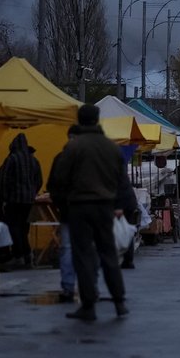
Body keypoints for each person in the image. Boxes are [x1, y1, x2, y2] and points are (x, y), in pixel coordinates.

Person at [51, 104, 128, 322]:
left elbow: (57, 181)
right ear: (97, 119)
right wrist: (117, 204)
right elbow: (122, 182)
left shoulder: (73, 148)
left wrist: (63, 204)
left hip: (79, 207)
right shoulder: (111, 148)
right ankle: (119, 301)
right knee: (108, 253)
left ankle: (88, 304)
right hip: (105, 206)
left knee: (83, 256)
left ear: (79, 119)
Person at [0, 133, 43, 269]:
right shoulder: (34, 160)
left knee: (13, 228)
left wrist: (4, 198)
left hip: (14, 200)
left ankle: (19, 255)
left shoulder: (12, 159)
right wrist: (32, 193)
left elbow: (4, 180)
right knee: (23, 228)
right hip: (29, 201)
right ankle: (27, 255)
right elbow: (39, 181)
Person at [47, 125, 80, 302]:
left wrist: (61, 204)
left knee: (67, 249)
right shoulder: (89, 157)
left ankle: (68, 286)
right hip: (88, 212)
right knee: (86, 249)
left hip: (68, 211)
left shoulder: (60, 158)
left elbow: (52, 186)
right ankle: (87, 286)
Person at [115, 166, 139, 270]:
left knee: (122, 230)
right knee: (127, 231)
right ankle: (128, 260)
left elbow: (120, 191)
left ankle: (126, 259)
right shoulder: (120, 172)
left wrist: (118, 207)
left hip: (124, 205)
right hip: (129, 204)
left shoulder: (114, 174)